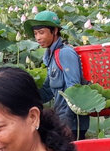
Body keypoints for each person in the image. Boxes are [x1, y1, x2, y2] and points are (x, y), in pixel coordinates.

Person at [24, 10, 89, 140]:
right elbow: (48, 90)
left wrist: (67, 125)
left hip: (72, 124)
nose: (38, 38)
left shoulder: (65, 53)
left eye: (41, 32)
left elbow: (74, 89)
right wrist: (27, 97)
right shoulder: (51, 55)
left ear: (54, 31)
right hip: (60, 119)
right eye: (36, 34)